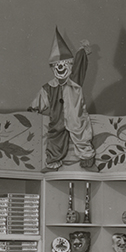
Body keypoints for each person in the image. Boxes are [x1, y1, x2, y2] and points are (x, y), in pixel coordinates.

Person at [29, 28, 96, 170]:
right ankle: (52, 162)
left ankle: (88, 160)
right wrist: (33, 109)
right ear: (53, 68)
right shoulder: (49, 87)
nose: (60, 67)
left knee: (81, 136)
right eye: (57, 65)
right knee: (55, 137)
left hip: (75, 116)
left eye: (64, 64)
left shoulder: (75, 81)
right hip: (57, 119)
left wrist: (83, 50)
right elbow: (40, 101)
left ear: (69, 66)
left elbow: (79, 65)